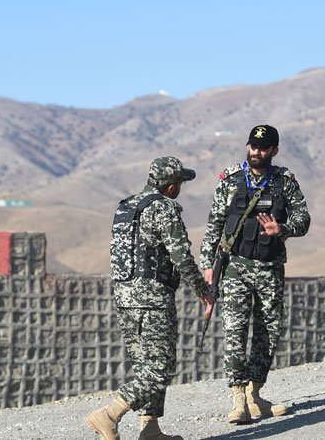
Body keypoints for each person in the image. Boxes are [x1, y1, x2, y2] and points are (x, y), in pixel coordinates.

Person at [87, 156, 213, 440]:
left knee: (146, 364)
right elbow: (180, 254)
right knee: (161, 366)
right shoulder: (163, 208)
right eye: (180, 182)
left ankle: (151, 430)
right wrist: (201, 290)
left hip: (124, 296)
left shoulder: (126, 207)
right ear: (170, 186)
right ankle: (110, 413)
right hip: (152, 298)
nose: (180, 187)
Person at [200, 125, 310, 424]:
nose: (256, 152)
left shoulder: (284, 181)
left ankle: (254, 393)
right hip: (236, 266)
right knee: (235, 331)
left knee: (268, 332)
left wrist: (283, 229)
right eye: (252, 146)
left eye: (262, 148)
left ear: (274, 150)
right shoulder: (231, 179)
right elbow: (214, 224)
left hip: (270, 268)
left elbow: (303, 219)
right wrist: (207, 267)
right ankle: (238, 399)